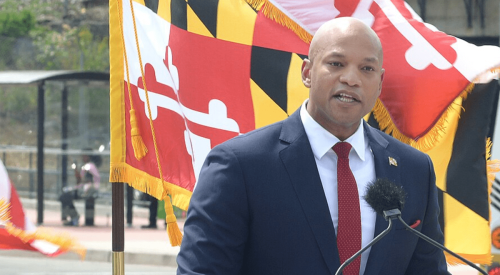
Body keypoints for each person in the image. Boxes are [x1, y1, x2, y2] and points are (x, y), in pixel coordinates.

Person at [177, 17, 450, 275]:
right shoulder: (239, 165)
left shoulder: (414, 169)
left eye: (366, 69)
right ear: (307, 73)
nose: (351, 79)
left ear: (379, 83)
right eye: (336, 64)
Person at [60, 148, 102, 226]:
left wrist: (77, 172)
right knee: (64, 196)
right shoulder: (88, 166)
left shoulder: (89, 166)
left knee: (64, 197)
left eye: (85, 156)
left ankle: (75, 217)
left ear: (89, 157)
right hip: (85, 190)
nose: (83, 157)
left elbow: (85, 180)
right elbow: (80, 181)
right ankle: (74, 217)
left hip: (89, 191)